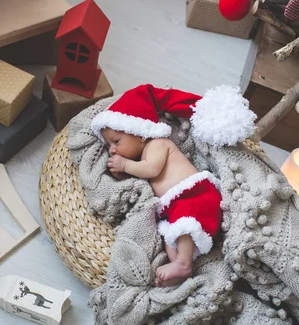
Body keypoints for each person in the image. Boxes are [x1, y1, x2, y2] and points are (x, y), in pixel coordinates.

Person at [91, 84, 222, 287]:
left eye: (116, 141)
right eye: (109, 146)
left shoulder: (157, 144)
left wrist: (125, 165)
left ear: (140, 133)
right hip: (175, 206)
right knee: (169, 234)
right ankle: (178, 267)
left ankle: (182, 263)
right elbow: (141, 174)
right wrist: (123, 171)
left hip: (195, 195)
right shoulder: (140, 157)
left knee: (185, 222)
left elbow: (151, 169)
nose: (112, 150)